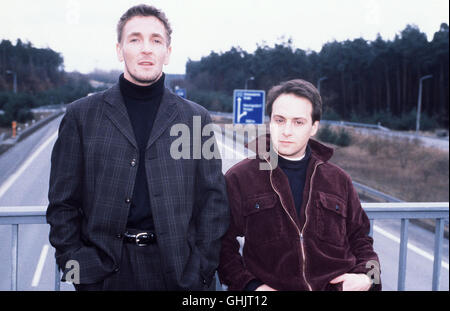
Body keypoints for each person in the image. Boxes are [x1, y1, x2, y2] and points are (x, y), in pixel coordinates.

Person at [47, 4, 229, 291]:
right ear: (119, 50)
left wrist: (200, 271)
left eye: (156, 40)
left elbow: (213, 202)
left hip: (179, 276)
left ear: (167, 52)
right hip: (104, 275)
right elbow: (62, 205)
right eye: (135, 39)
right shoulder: (81, 116)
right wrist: (79, 271)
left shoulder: (195, 118)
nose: (146, 49)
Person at [218, 79, 381, 291]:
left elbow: (362, 239)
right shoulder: (241, 178)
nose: (286, 130)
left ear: (314, 127)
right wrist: (252, 287)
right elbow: (221, 243)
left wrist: (368, 277)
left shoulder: (338, 180)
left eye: (298, 122)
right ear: (270, 122)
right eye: (279, 120)